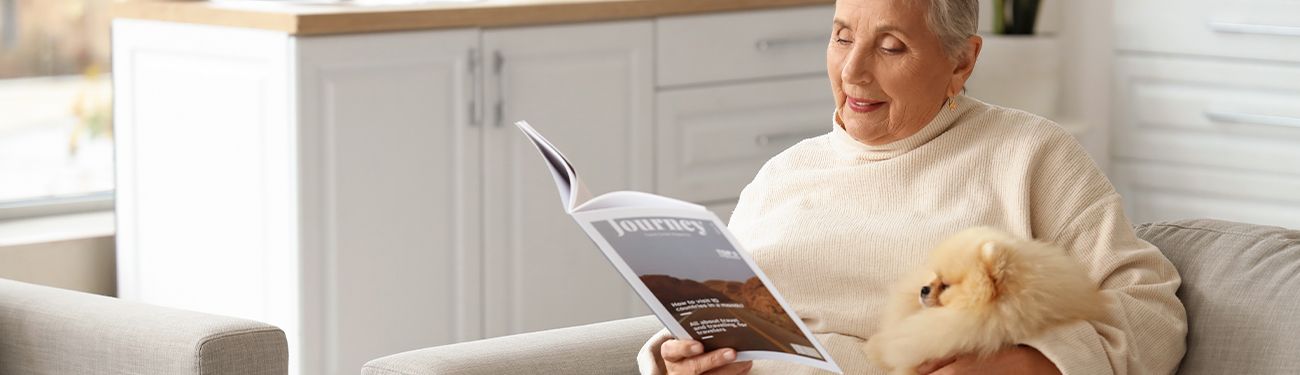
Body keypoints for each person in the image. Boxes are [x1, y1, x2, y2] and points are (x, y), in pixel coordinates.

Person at [636, 0, 1188, 374]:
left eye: (891, 46)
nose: (852, 70)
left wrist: (1021, 364)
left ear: (961, 61)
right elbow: (720, 317)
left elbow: (1150, 311)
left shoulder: (1028, 155)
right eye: (841, 37)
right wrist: (673, 357)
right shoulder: (780, 177)